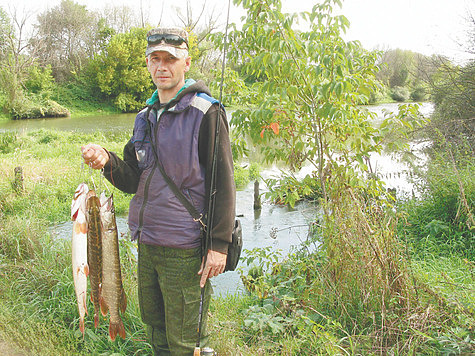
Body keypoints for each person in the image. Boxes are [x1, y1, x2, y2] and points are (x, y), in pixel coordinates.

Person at [81, 27, 236, 355]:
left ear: (186, 62)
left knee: (186, 341)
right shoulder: (143, 118)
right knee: (157, 333)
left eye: (170, 59)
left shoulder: (206, 112)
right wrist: (106, 160)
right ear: (148, 63)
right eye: (155, 59)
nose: (162, 66)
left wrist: (219, 245)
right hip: (148, 243)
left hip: (185, 248)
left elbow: (223, 183)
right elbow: (134, 179)